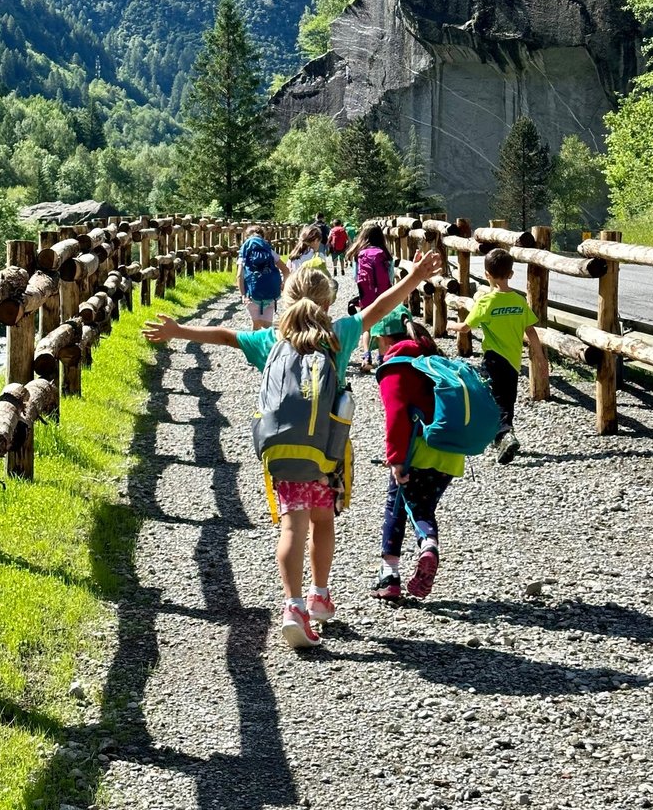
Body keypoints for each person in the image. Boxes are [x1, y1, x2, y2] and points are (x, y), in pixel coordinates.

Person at [142, 250, 442, 648]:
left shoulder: (271, 340)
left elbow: (227, 336)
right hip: (327, 452)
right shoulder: (338, 335)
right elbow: (379, 306)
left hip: (283, 452)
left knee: (292, 525)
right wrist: (415, 276)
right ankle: (319, 594)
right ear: (326, 302)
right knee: (323, 521)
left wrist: (179, 331)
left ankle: (293, 605)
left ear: (287, 299)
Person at [369, 307, 464, 602]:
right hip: (451, 453)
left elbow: (397, 416)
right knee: (417, 507)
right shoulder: (433, 357)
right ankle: (398, 572)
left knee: (397, 507)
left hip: (416, 453)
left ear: (386, 339)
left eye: (378, 344)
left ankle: (407, 560)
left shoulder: (396, 368)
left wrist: (396, 459)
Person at [457, 248, 549, 463]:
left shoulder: (486, 301)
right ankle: (504, 434)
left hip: (492, 358)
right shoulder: (518, 301)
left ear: (487, 275)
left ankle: (504, 435)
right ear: (511, 274)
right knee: (507, 399)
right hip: (513, 361)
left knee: (489, 397)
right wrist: (541, 358)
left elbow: (465, 327)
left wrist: (452, 325)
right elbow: (531, 331)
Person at [351, 222, 397, 372]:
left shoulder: (359, 254)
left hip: (366, 295)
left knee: (367, 327)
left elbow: (355, 276)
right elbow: (390, 277)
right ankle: (382, 358)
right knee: (382, 326)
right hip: (384, 295)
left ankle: (366, 356)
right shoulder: (385, 254)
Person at [237, 225, 289, 331]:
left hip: (252, 295)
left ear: (247, 236)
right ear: (263, 235)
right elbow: (286, 270)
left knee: (255, 326)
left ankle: (253, 346)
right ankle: (269, 347)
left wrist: (242, 295)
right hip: (271, 293)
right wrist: (283, 284)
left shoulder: (244, 250)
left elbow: (239, 275)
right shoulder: (269, 249)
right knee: (268, 328)